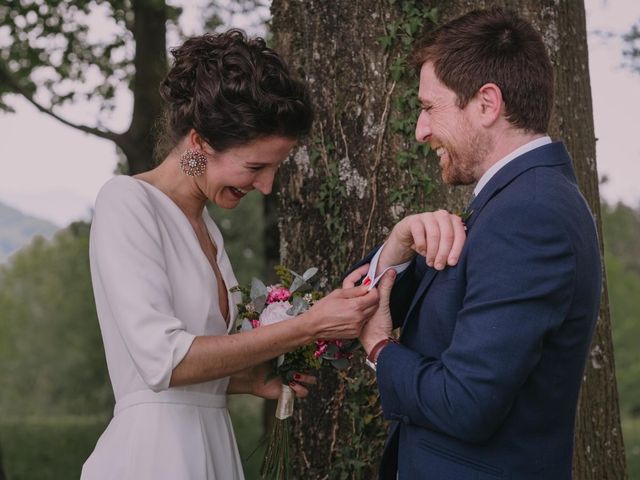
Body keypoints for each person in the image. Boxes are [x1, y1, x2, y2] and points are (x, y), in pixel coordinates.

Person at [81, 30, 384, 480]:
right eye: (255, 167)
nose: (265, 186)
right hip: (154, 455)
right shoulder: (126, 202)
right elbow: (163, 360)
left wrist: (246, 380)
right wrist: (307, 325)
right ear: (200, 144)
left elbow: (195, 370)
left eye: (274, 169)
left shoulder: (208, 232)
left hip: (211, 443)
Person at [353, 8, 602, 480]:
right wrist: (396, 247)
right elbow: (357, 298)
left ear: (486, 104)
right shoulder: (512, 202)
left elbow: (466, 403)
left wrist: (380, 350)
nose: (420, 131)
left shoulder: (528, 216)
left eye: (429, 108)